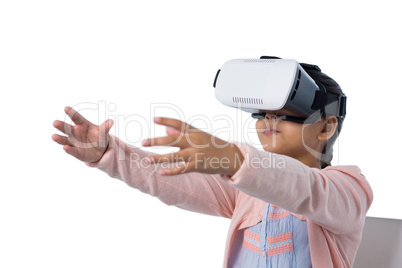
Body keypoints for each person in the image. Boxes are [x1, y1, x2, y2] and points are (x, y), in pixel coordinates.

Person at [52, 63, 373, 267]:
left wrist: (235, 159)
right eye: (263, 113)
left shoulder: (348, 187)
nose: (270, 120)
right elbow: (170, 179)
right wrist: (109, 153)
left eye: (288, 112)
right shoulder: (245, 189)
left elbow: (307, 190)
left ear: (325, 127)